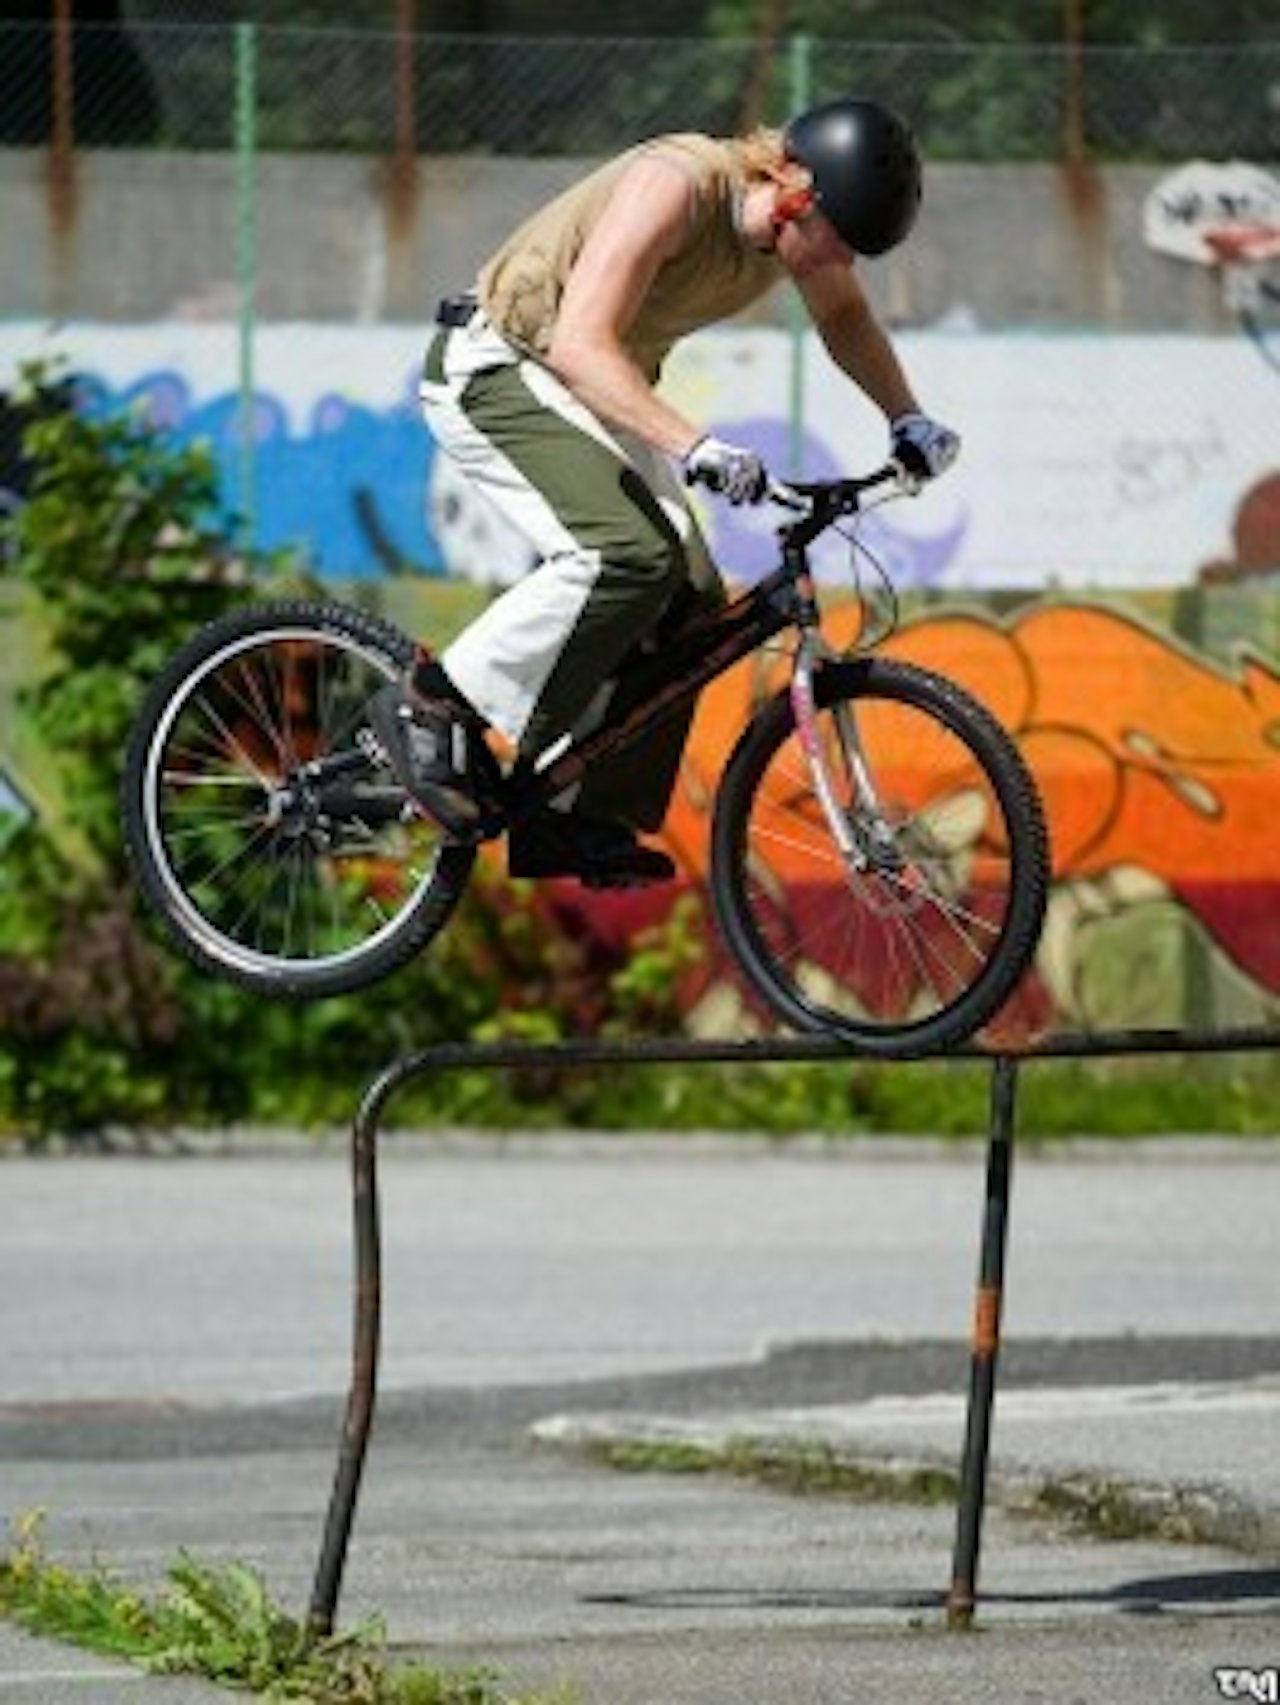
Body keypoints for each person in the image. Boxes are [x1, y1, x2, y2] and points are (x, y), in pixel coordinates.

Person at [369, 97, 959, 887]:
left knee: (690, 600)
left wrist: (907, 419)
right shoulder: (677, 184)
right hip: (504, 366)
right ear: (794, 188)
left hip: (584, 392)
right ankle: (432, 705)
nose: (837, 265)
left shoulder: (795, 244)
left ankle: (575, 813)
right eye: (837, 241)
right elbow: (577, 341)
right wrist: (695, 445)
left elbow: (846, 320)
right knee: (627, 552)